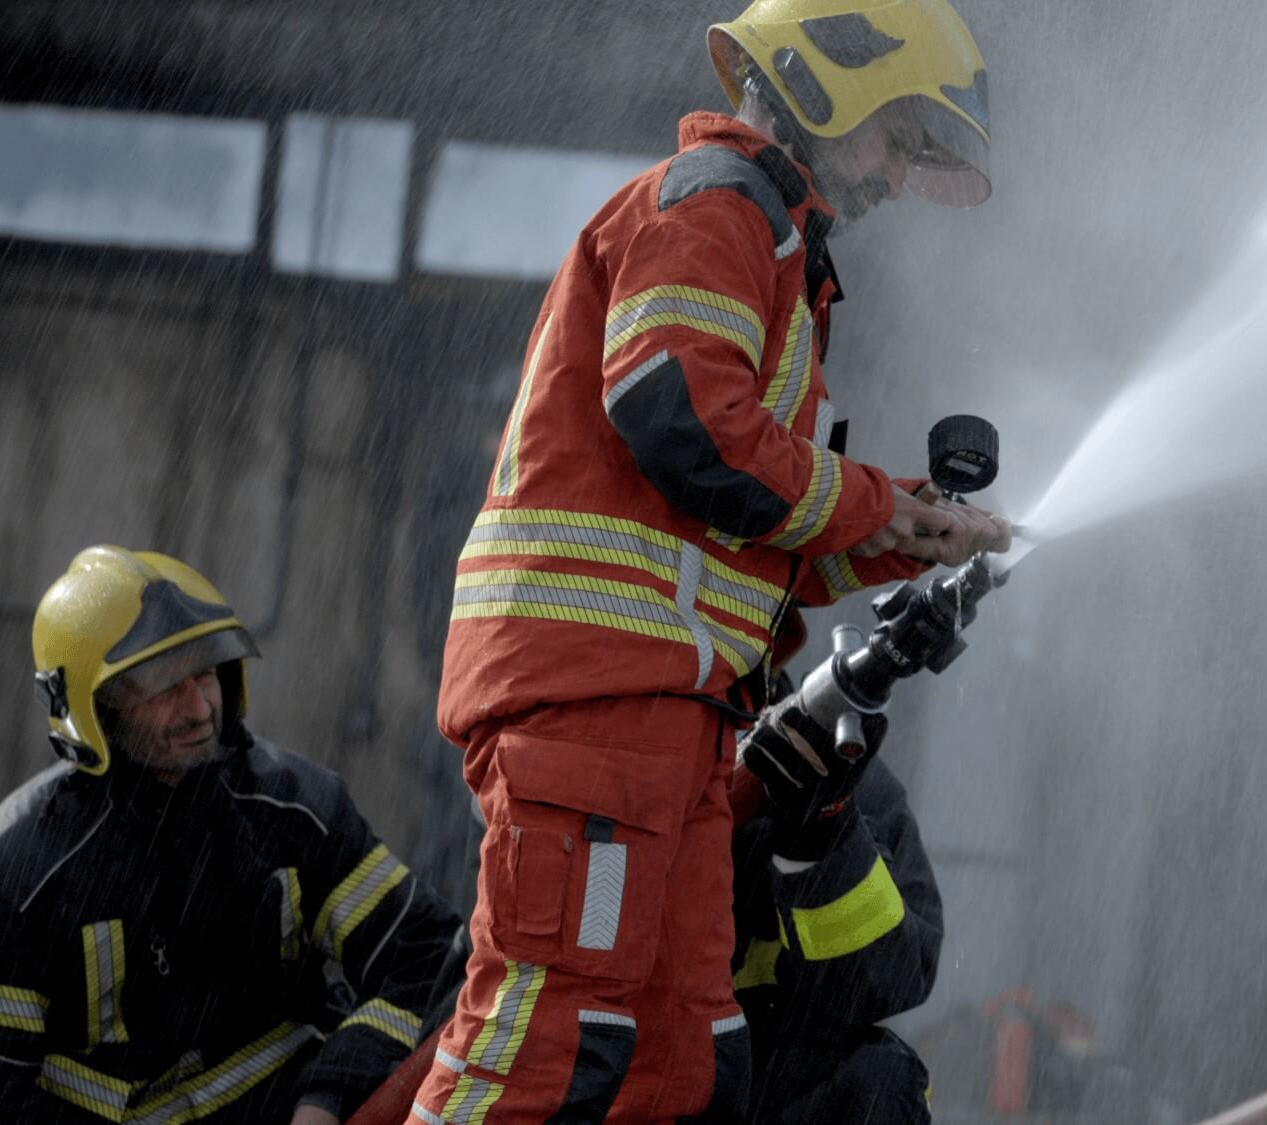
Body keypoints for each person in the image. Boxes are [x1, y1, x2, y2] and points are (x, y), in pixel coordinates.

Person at [414, 0, 1009, 1120]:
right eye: (897, 133)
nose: (894, 175)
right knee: (552, 1035)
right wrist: (878, 503)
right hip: (601, 701)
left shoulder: (775, 252)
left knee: (679, 1062)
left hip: (668, 719)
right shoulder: (721, 207)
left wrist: (902, 534)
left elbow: (738, 535)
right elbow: (678, 414)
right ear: (829, 81)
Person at [0, 546, 462, 1124]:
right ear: (92, 708)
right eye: (164, 685)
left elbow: (427, 955)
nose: (198, 708)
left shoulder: (296, 808)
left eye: (205, 671)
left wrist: (327, 1100)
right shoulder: (24, 867)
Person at [730, 685, 943, 1123]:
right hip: (646, 1058)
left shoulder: (830, 759)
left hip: (772, 1075)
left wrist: (819, 832)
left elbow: (891, 978)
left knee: (877, 1081)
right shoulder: (626, 748)